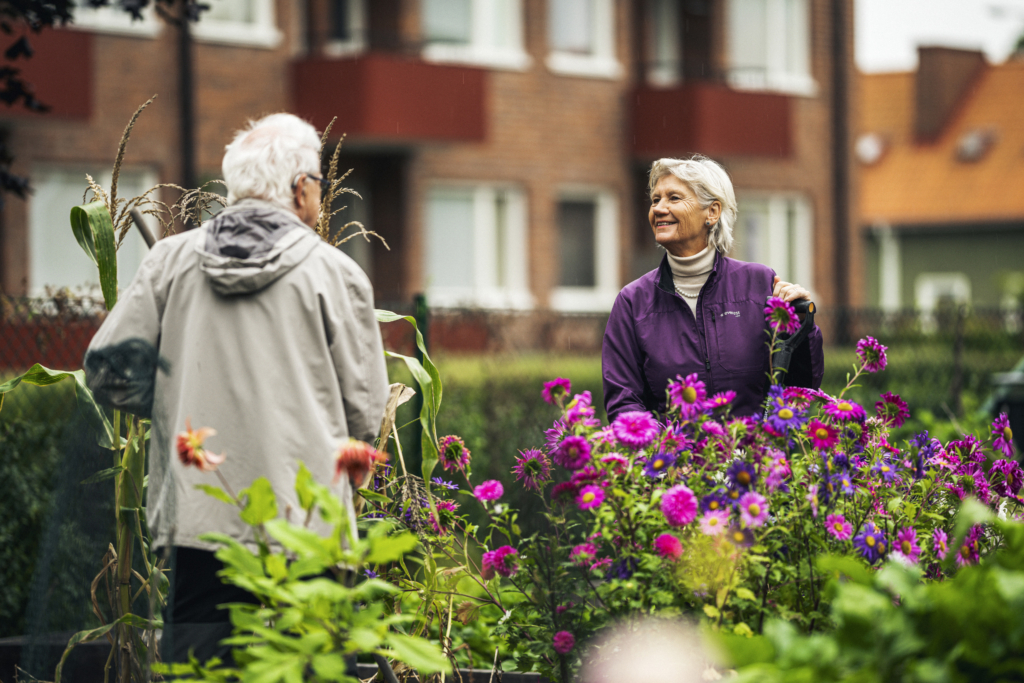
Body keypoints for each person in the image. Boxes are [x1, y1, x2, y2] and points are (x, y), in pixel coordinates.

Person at [83, 113, 390, 664]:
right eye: (317, 185)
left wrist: (176, 407)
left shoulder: (169, 263)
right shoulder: (335, 275)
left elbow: (108, 370)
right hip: (308, 524)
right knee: (311, 670)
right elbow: (364, 412)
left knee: (204, 669)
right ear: (301, 189)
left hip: (200, 520)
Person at [602, 155, 823, 420]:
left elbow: (803, 386)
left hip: (754, 457)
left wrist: (800, 325)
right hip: (673, 458)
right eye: (655, 199)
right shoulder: (633, 301)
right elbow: (624, 402)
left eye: (674, 198)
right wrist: (666, 451)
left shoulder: (758, 283)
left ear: (712, 212)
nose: (659, 208)